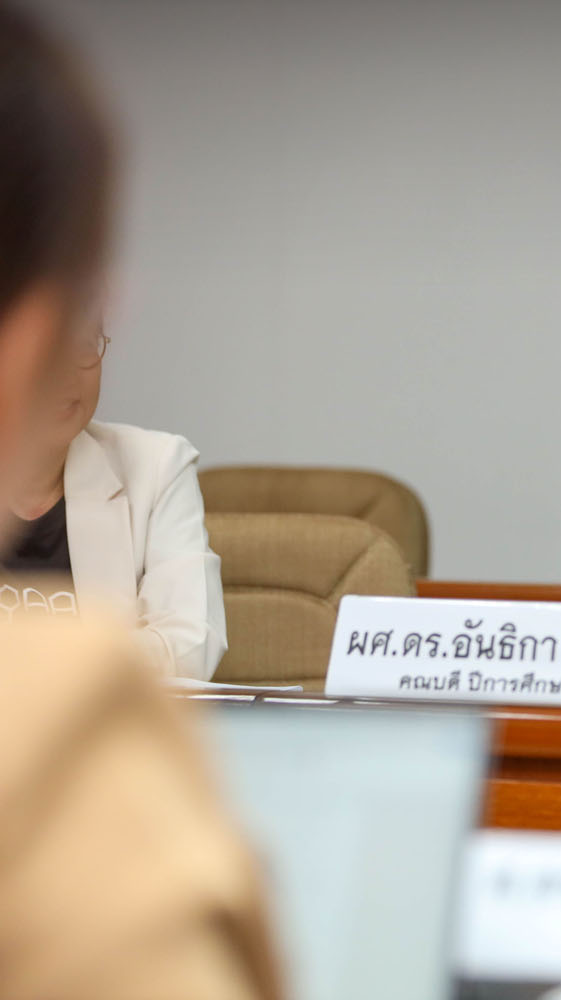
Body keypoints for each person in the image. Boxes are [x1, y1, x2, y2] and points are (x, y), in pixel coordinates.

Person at [0, 5, 282, 996]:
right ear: (36, 322)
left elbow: (190, 646)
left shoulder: (152, 465)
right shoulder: (62, 740)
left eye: (99, 336)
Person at [3, 315, 228, 680]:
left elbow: (191, 642)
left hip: (96, 715)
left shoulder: (157, 466)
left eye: (82, 344)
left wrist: (52, 670)